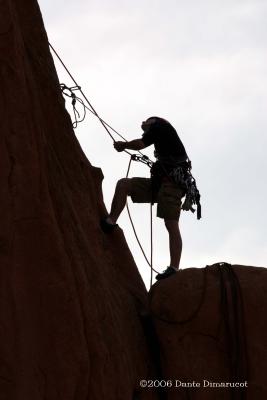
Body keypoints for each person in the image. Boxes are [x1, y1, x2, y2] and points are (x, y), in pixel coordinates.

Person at [100, 116, 190, 280]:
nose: (144, 129)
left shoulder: (160, 126)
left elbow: (141, 144)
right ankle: (110, 222)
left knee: (171, 224)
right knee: (124, 185)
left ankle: (174, 267)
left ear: (152, 122)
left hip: (172, 185)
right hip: (159, 184)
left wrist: (124, 145)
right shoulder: (163, 138)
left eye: (145, 126)